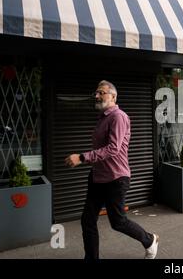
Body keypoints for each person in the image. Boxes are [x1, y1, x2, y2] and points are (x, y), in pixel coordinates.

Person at [65, 80, 159, 260]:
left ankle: (149, 240)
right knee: (87, 220)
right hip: (97, 177)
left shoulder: (118, 116)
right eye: (96, 93)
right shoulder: (103, 118)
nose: (97, 95)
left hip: (116, 178)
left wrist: (82, 157)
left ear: (113, 96)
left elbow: (113, 148)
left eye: (102, 92)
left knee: (118, 222)